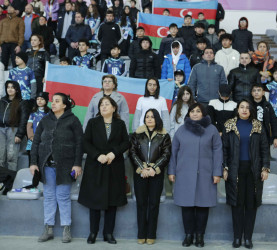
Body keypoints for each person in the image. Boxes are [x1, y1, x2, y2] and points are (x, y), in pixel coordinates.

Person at [30, 92, 83, 243]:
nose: (53, 104)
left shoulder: (73, 121)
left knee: (63, 197)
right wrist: (33, 162)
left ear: (65, 105)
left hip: (66, 166)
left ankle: (66, 228)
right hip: (46, 166)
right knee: (49, 197)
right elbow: (36, 142)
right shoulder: (45, 120)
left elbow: (80, 143)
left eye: (57, 101)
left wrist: (77, 163)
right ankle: (48, 228)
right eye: (52, 101)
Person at [168, 103, 223, 248]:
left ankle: (200, 236)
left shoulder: (212, 130)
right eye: (192, 111)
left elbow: (218, 152)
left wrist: (217, 172)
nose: (195, 113)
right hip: (184, 174)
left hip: (206, 174)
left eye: (198, 111)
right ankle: (188, 235)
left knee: (203, 206)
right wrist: (172, 171)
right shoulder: (181, 130)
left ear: (203, 114)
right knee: (186, 207)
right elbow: (174, 152)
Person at [78, 96, 130, 245]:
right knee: (94, 201)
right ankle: (93, 232)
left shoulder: (120, 124)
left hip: (114, 166)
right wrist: (97, 155)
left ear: (114, 108)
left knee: (112, 202)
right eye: (101, 105)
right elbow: (85, 142)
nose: (104, 107)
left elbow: (126, 142)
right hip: (96, 166)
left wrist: (114, 153)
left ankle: (108, 233)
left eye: (107, 104)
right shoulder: (93, 123)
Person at [222, 99, 270, 249]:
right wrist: (224, 168)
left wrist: (265, 168)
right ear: (237, 109)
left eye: (247, 108)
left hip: (253, 170)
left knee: (251, 204)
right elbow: (224, 149)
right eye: (242, 107)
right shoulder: (229, 125)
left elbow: (264, 149)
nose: (244, 110)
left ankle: (248, 238)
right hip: (235, 169)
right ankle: (237, 238)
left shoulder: (258, 125)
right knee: (237, 204)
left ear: (251, 110)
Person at [129, 109, 171, 245]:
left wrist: (153, 168)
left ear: (157, 119)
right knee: (141, 204)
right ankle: (141, 234)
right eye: (147, 117)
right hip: (141, 173)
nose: (149, 119)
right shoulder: (137, 135)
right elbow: (132, 152)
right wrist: (142, 168)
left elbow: (166, 154)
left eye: (152, 117)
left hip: (156, 174)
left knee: (153, 204)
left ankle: (151, 234)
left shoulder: (164, 135)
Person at [0, 81, 28, 171]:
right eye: (8, 87)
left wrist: (19, 134)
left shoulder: (22, 102)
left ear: (16, 90)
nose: (9, 89)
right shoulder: (1, 101)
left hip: (14, 130)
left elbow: (23, 120)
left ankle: (11, 179)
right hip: (0, 130)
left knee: (11, 157)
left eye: (12, 87)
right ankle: (0, 179)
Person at [251, 83, 277, 148]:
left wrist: (275, 137)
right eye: (254, 91)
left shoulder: (267, 105)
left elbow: (273, 121)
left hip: (264, 135)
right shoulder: (248, 105)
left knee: (264, 155)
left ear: (263, 92)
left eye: (258, 90)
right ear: (251, 93)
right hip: (251, 135)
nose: (256, 92)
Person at [0, 5, 25, 70]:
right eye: (8, 8)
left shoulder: (19, 20)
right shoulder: (3, 21)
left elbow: (21, 34)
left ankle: (15, 79)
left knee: (15, 63)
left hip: (14, 44)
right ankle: (4, 80)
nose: (9, 9)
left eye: (11, 8)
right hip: (4, 44)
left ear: (15, 10)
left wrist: (19, 45)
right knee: (3, 64)